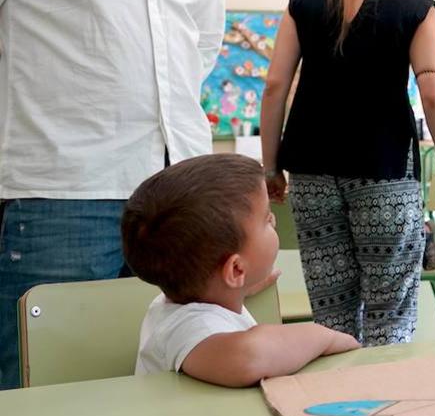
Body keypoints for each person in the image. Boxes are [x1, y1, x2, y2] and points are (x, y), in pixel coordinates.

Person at [0, 0, 225, 390]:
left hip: (181, 190)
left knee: (174, 381)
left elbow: (200, 44)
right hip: (64, 191)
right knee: (46, 388)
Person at [261, 0, 435, 346]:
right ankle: (381, 407)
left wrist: (270, 167)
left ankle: (333, 409)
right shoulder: (415, 6)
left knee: (330, 311)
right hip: (385, 171)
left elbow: (275, 86)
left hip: (311, 170)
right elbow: (432, 91)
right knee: (391, 308)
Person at [123, 154, 359, 387]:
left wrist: (243, 287)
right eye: (267, 219)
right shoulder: (188, 327)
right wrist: (322, 336)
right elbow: (249, 357)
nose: (274, 221)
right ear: (235, 270)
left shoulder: (186, 301)